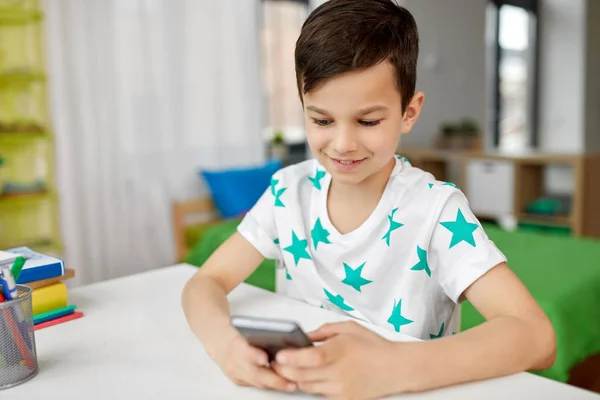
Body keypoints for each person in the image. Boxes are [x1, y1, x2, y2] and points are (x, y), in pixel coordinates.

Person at [182, 1, 556, 398]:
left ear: (408, 112)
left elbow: (536, 336)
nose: (342, 144)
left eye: (368, 121)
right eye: (322, 120)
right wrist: (225, 347)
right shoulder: (286, 192)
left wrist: (392, 366)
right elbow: (206, 281)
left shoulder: (436, 210)